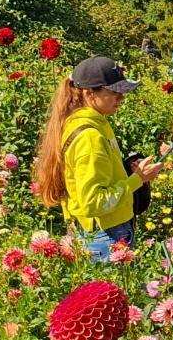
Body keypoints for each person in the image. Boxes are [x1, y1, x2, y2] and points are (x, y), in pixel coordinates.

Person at [32, 57, 165, 263]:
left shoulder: (90, 123)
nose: (122, 97)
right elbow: (94, 202)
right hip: (105, 237)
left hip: (97, 232)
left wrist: (127, 169)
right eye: (113, 91)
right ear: (89, 93)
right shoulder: (90, 136)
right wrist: (137, 179)